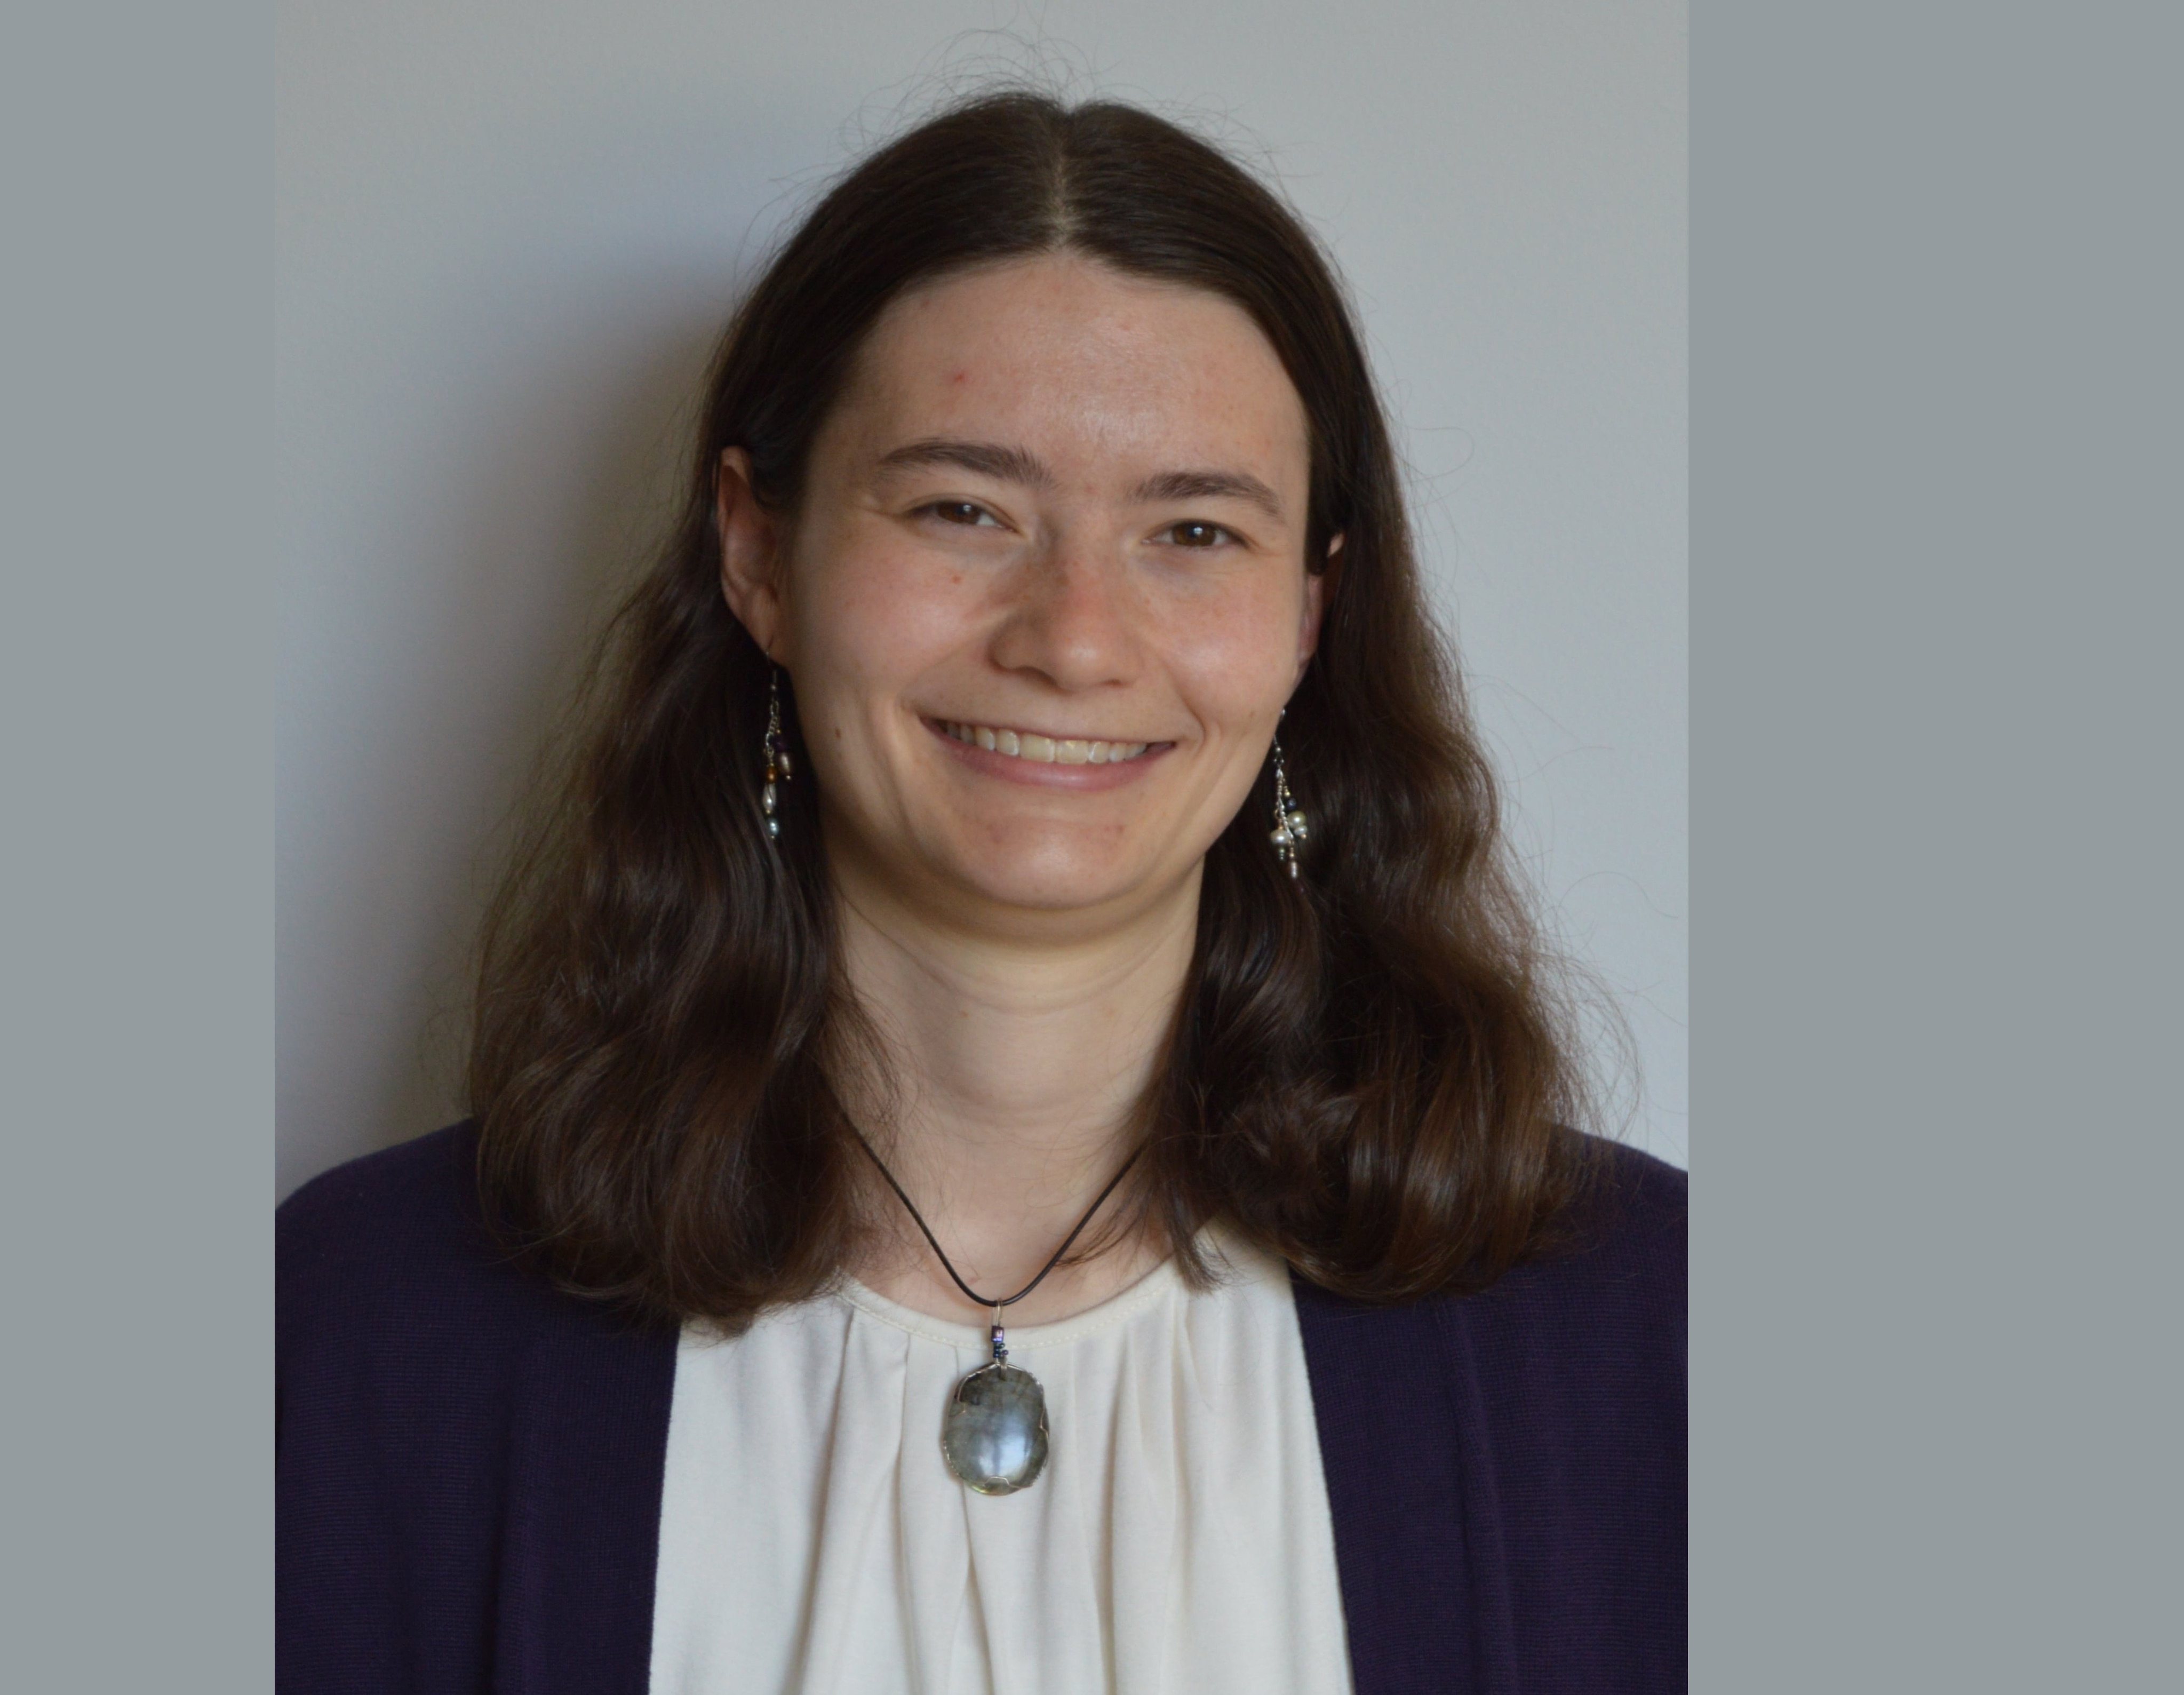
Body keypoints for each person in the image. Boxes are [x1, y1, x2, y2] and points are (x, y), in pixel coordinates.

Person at [280, 90, 1682, 1694]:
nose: (1075, 637)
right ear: (757, 551)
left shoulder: (1651, 1339)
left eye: (1195, 528)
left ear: (1310, 614)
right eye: (964, 507)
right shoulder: (354, 1338)